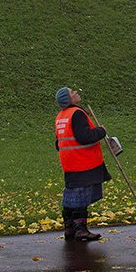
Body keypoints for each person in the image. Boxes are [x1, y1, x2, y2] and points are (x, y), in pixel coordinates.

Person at [54, 86, 112, 241]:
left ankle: (69, 228)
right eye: (72, 92)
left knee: (71, 195)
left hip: (69, 162)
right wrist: (101, 131)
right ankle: (81, 229)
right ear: (69, 99)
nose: (76, 93)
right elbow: (84, 137)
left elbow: (58, 143)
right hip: (83, 161)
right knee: (81, 196)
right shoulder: (77, 114)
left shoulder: (61, 116)